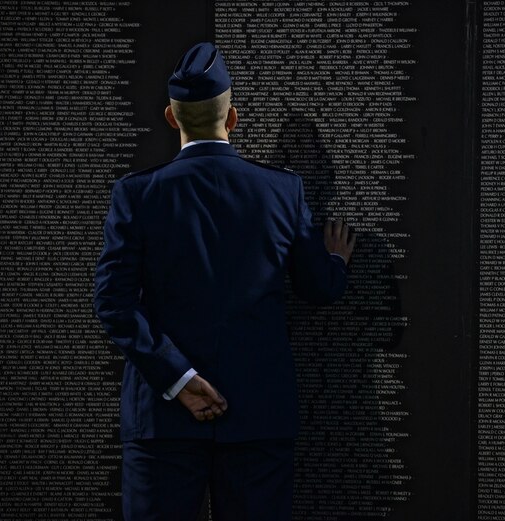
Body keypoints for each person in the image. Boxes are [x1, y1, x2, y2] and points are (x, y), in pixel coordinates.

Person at [93, 42, 355, 521]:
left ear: (172, 119)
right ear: (231, 118)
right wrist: (335, 260)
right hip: (257, 418)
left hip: (163, 423)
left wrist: (179, 378)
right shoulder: (282, 190)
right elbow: (318, 287)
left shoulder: (136, 194)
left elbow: (113, 303)